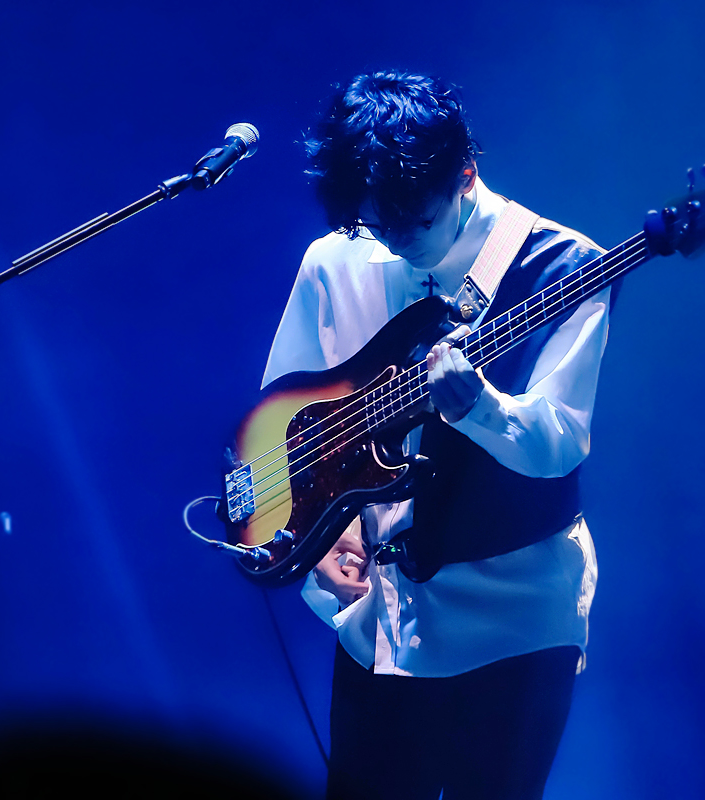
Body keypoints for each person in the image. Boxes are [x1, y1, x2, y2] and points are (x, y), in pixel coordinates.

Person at [261, 71, 611, 800]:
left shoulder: (565, 265)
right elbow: (281, 420)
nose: (394, 243)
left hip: (516, 618)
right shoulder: (335, 259)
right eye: (375, 224)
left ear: (466, 174)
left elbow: (558, 443)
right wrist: (321, 534)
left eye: (414, 224)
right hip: (381, 620)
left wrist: (479, 407)